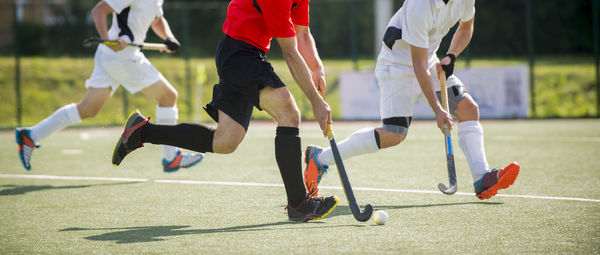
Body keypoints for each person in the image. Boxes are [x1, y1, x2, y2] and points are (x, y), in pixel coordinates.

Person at [111, 0, 339, 222]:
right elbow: (289, 52)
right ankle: (299, 203)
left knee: (225, 141)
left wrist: (317, 66)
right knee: (289, 114)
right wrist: (316, 101)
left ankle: (142, 132)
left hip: (246, 54)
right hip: (239, 55)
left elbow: (302, 33)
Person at [303, 0, 520, 200]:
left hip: (429, 61)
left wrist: (451, 55)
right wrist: (438, 110)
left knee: (468, 109)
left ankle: (481, 178)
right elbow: (417, 65)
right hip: (396, 66)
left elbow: (466, 27)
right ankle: (320, 159)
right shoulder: (419, 5)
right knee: (394, 134)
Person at [15, 0, 204, 173]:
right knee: (168, 97)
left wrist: (168, 37)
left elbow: (156, 19)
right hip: (122, 58)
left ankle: (30, 135)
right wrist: (108, 40)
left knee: (88, 109)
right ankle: (172, 158)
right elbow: (99, 10)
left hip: (113, 57)